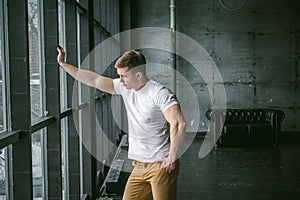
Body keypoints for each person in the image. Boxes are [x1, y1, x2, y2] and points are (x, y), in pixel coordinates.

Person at [57, 46, 186, 200]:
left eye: (124, 76)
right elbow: (94, 80)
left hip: (160, 165)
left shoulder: (159, 93)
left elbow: (178, 123)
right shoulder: (126, 87)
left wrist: (172, 157)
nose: (120, 80)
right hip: (138, 166)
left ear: (138, 74)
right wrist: (64, 64)